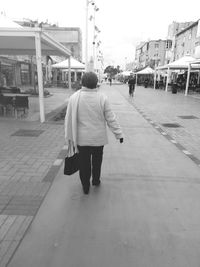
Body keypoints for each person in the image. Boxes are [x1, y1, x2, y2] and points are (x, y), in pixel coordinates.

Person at [65, 72, 124, 194]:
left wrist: (69, 137)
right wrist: (119, 134)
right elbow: (110, 118)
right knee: (97, 161)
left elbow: (68, 119)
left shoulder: (74, 98)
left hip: (82, 139)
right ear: (96, 83)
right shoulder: (102, 98)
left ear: (83, 82)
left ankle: (85, 186)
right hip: (98, 139)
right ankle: (96, 180)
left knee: (84, 163)